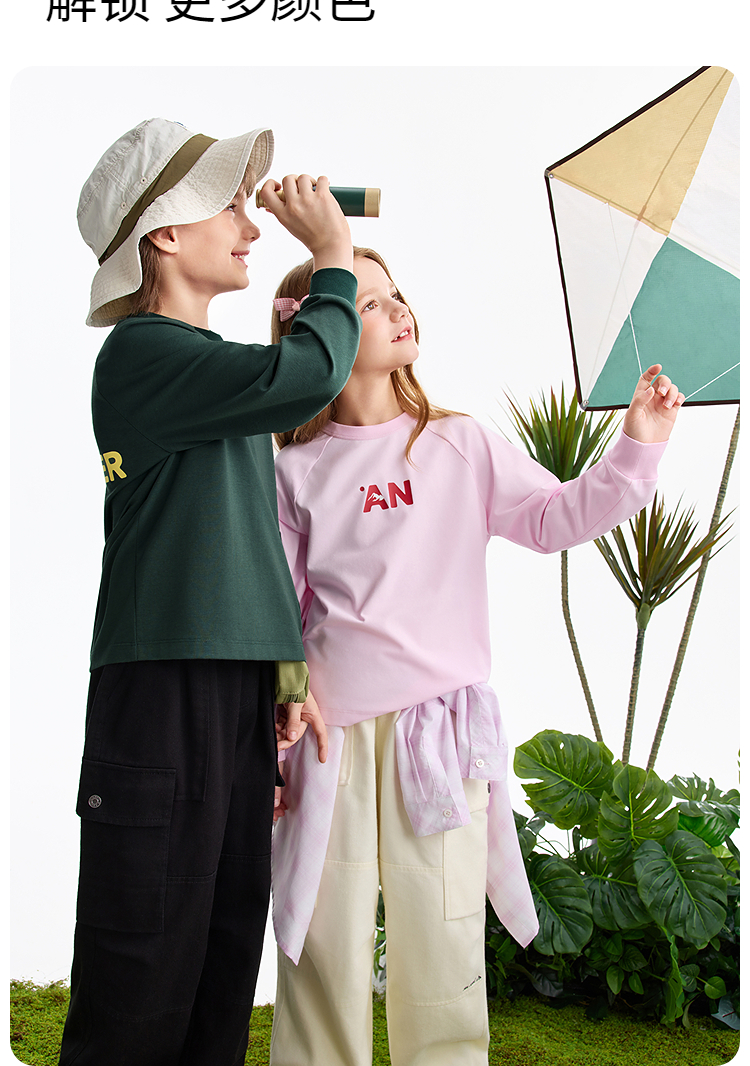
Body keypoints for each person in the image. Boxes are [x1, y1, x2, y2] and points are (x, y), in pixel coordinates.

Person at [268, 245, 685, 1066]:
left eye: (397, 295)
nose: (399, 310)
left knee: (444, 935)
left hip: (439, 735)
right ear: (321, 333)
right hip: (327, 740)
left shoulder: (460, 443)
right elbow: (278, 612)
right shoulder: (294, 468)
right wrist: (267, 744)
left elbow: (555, 518)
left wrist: (637, 447)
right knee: (323, 939)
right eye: (370, 303)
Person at [58, 118, 360, 1066]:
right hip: (160, 690)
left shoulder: (213, 379)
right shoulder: (144, 355)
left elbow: (246, 540)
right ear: (163, 234)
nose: (251, 225)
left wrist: (282, 673)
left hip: (228, 693)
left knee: (222, 960)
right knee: (140, 972)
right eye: (228, 206)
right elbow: (312, 370)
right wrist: (335, 255)